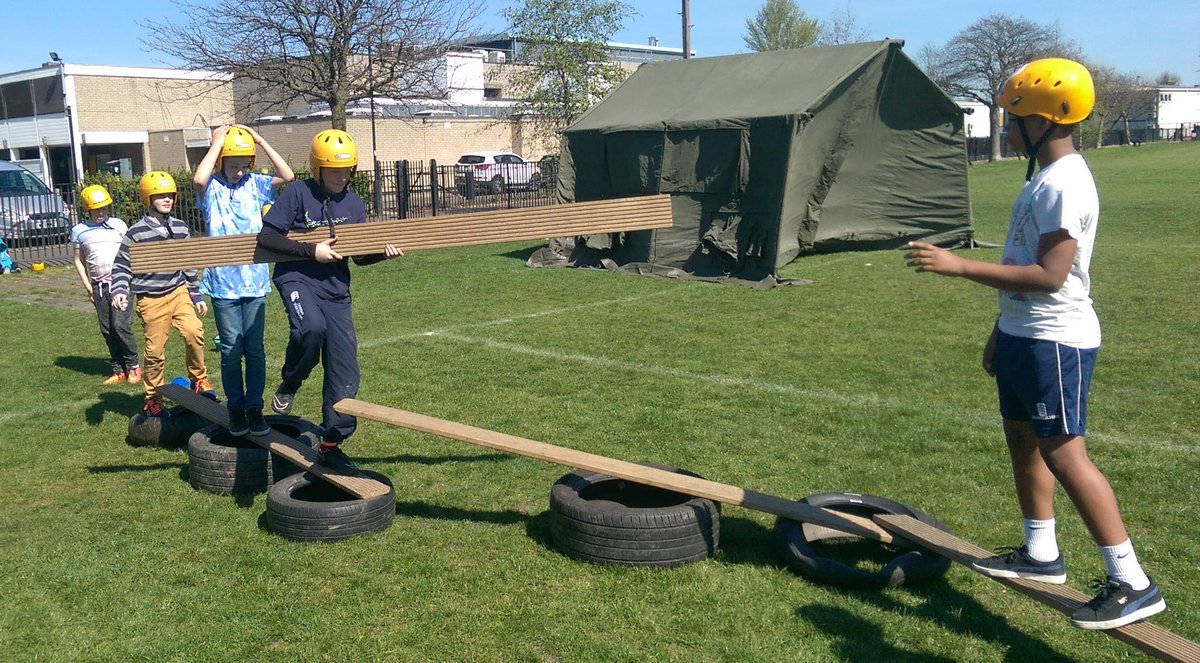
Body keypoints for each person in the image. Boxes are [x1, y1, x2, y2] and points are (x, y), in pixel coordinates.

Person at [905, 58, 1165, 631]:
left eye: (1014, 117)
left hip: (1056, 341)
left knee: (1066, 454)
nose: (1007, 126)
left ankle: (1133, 581)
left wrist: (957, 267)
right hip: (1026, 335)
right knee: (1023, 441)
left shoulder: (1067, 184)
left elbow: (1051, 276)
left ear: (1046, 120)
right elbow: (1023, 263)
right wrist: (1002, 329)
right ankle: (1040, 553)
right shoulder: (1042, 180)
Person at [257, 129, 401, 469]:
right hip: (297, 278)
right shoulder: (296, 192)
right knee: (311, 329)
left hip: (337, 292)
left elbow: (359, 256)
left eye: (347, 168)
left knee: (345, 369)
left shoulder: (354, 203)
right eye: (334, 169)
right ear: (317, 168)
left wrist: (383, 253)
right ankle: (291, 382)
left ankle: (331, 442)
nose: (342, 175)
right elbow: (266, 237)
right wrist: (312, 250)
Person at [194, 125, 295, 437]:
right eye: (232, 165)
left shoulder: (257, 185)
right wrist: (217, 144)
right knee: (230, 349)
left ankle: (254, 408)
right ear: (222, 161)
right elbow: (198, 178)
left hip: (253, 281)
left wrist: (261, 141)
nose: (238, 172)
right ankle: (235, 408)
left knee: (254, 350)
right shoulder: (210, 187)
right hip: (223, 282)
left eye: (243, 165)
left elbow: (288, 176)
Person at [111, 171, 218, 417]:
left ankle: (199, 380)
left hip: (178, 291)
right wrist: (119, 290)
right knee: (155, 352)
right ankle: (152, 398)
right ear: (148, 198)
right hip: (151, 298)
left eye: (170, 195)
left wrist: (196, 295)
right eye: (161, 196)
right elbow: (121, 265)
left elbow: (188, 263)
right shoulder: (136, 233)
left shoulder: (180, 228)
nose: (168, 199)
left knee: (194, 332)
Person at [71, 184, 140, 386]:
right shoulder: (79, 231)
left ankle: (133, 365)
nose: (101, 212)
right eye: (96, 209)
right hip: (99, 286)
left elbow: (131, 252)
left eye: (104, 208)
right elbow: (78, 260)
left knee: (120, 325)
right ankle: (118, 369)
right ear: (87, 209)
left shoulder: (118, 225)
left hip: (122, 283)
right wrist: (89, 287)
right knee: (107, 329)